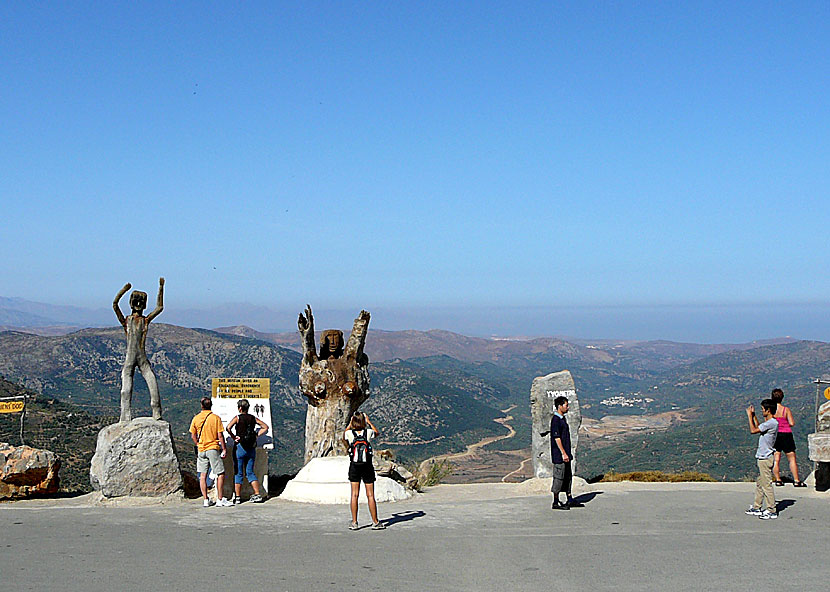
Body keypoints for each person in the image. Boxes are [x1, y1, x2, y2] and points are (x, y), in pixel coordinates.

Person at [343, 411, 385, 530]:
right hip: (367, 466)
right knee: (370, 495)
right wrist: (369, 422)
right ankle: (375, 522)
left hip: (354, 466)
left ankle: (355, 522)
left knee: (354, 495)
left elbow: (344, 434)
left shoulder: (350, 434)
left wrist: (350, 423)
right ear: (363, 421)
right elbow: (377, 433)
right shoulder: (368, 433)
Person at [189, 397, 232, 508]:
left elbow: (193, 434)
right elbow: (220, 435)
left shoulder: (196, 418)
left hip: (201, 449)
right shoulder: (215, 418)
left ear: (201, 405)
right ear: (211, 405)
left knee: (202, 475)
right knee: (220, 473)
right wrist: (224, 448)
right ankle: (220, 499)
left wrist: (197, 443)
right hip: (213, 447)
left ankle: (205, 499)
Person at [225, 399, 269, 504]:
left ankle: (238, 497)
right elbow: (265, 427)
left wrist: (233, 437)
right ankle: (257, 494)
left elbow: (228, 428)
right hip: (251, 448)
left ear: (240, 408)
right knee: (250, 472)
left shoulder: (237, 418)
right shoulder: (253, 418)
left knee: (238, 473)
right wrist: (256, 436)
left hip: (240, 447)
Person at [541, 395, 579, 510]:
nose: (568, 407)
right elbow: (557, 438)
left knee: (568, 476)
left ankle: (569, 498)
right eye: (566, 405)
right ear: (559, 406)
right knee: (559, 477)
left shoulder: (562, 418)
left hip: (566, 454)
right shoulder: (555, 420)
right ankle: (555, 501)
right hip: (560, 456)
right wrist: (563, 453)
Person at [745, 399, 779, 519]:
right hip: (764, 457)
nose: (762, 411)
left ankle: (771, 510)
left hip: (765, 458)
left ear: (768, 410)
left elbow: (753, 430)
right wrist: (754, 416)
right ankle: (757, 507)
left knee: (766, 485)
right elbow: (759, 427)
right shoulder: (771, 423)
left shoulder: (771, 423)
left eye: (763, 409)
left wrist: (749, 417)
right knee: (760, 483)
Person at [770, 388, 806, 487]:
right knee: (792, 459)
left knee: (776, 459)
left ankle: (778, 480)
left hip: (776, 435)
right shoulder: (786, 410)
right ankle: (797, 480)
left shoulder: (771, 410)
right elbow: (792, 423)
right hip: (786, 435)